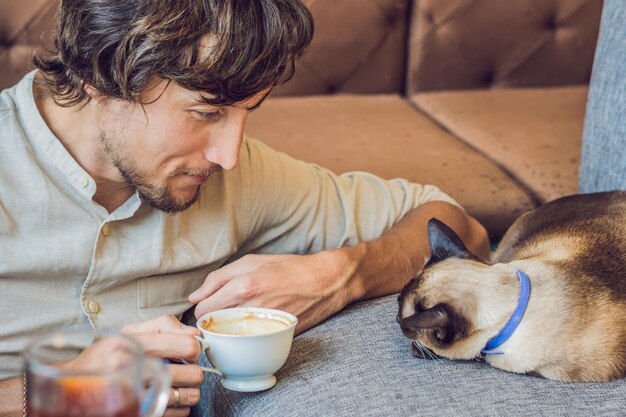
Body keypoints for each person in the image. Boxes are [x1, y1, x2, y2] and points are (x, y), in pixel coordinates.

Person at [0, 1, 489, 416]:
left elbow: (454, 221)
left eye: (245, 113)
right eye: (206, 113)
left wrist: (343, 274)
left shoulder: (240, 179)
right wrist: (48, 393)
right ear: (99, 74)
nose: (228, 155)